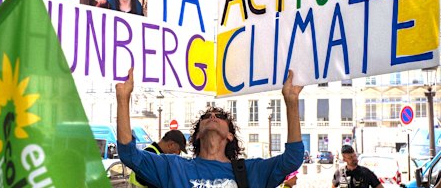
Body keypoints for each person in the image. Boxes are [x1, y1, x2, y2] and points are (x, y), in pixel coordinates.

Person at [116, 68, 304, 187]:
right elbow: (129, 154)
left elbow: (292, 159)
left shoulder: (250, 171)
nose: (212, 116)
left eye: (220, 116)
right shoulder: (173, 167)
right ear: (197, 135)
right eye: (206, 116)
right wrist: (123, 99)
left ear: (230, 136)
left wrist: (292, 102)